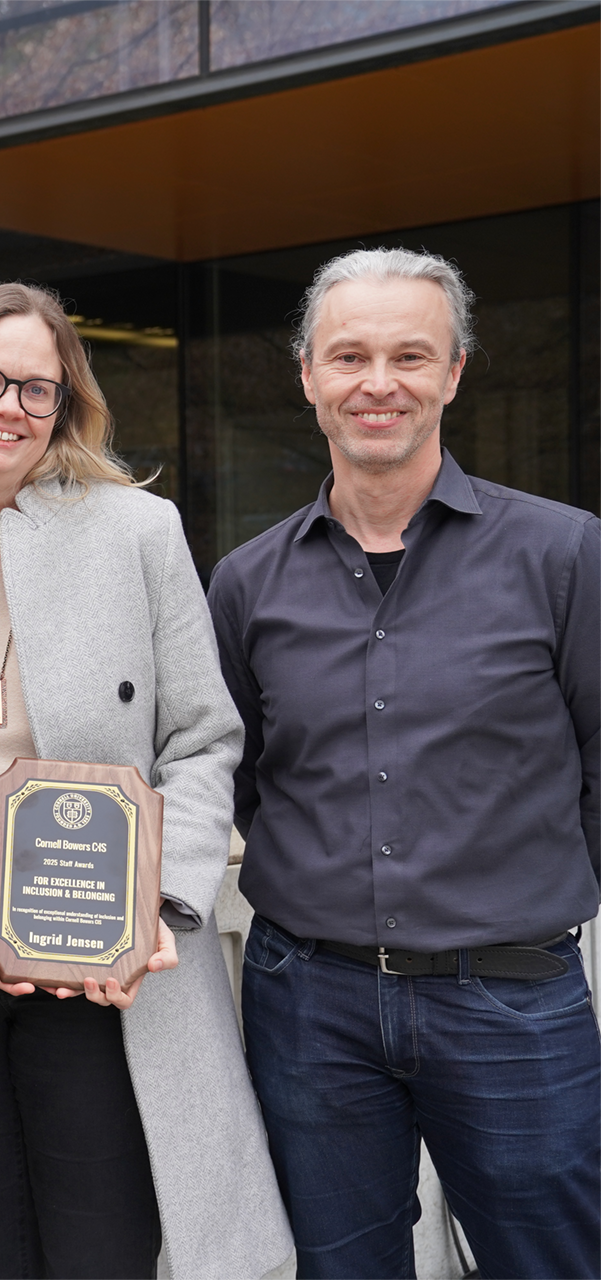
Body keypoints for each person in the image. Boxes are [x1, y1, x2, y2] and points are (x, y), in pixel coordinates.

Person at [0, 283, 290, 1280]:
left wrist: (164, 898)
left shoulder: (137, 531)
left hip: (111, 945)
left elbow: (204, 735)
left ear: (66, 407)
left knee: (101, 1232)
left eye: (38, 390)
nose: (8, 407)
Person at [208, 247, 601, 1279]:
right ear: (308, 375)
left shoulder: (565, 556)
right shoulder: (246, 584)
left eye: (408, 355)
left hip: (511, 999)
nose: (377, 382)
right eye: (349, 356)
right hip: (310, 1005)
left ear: (455, 371)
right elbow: (241, 772)